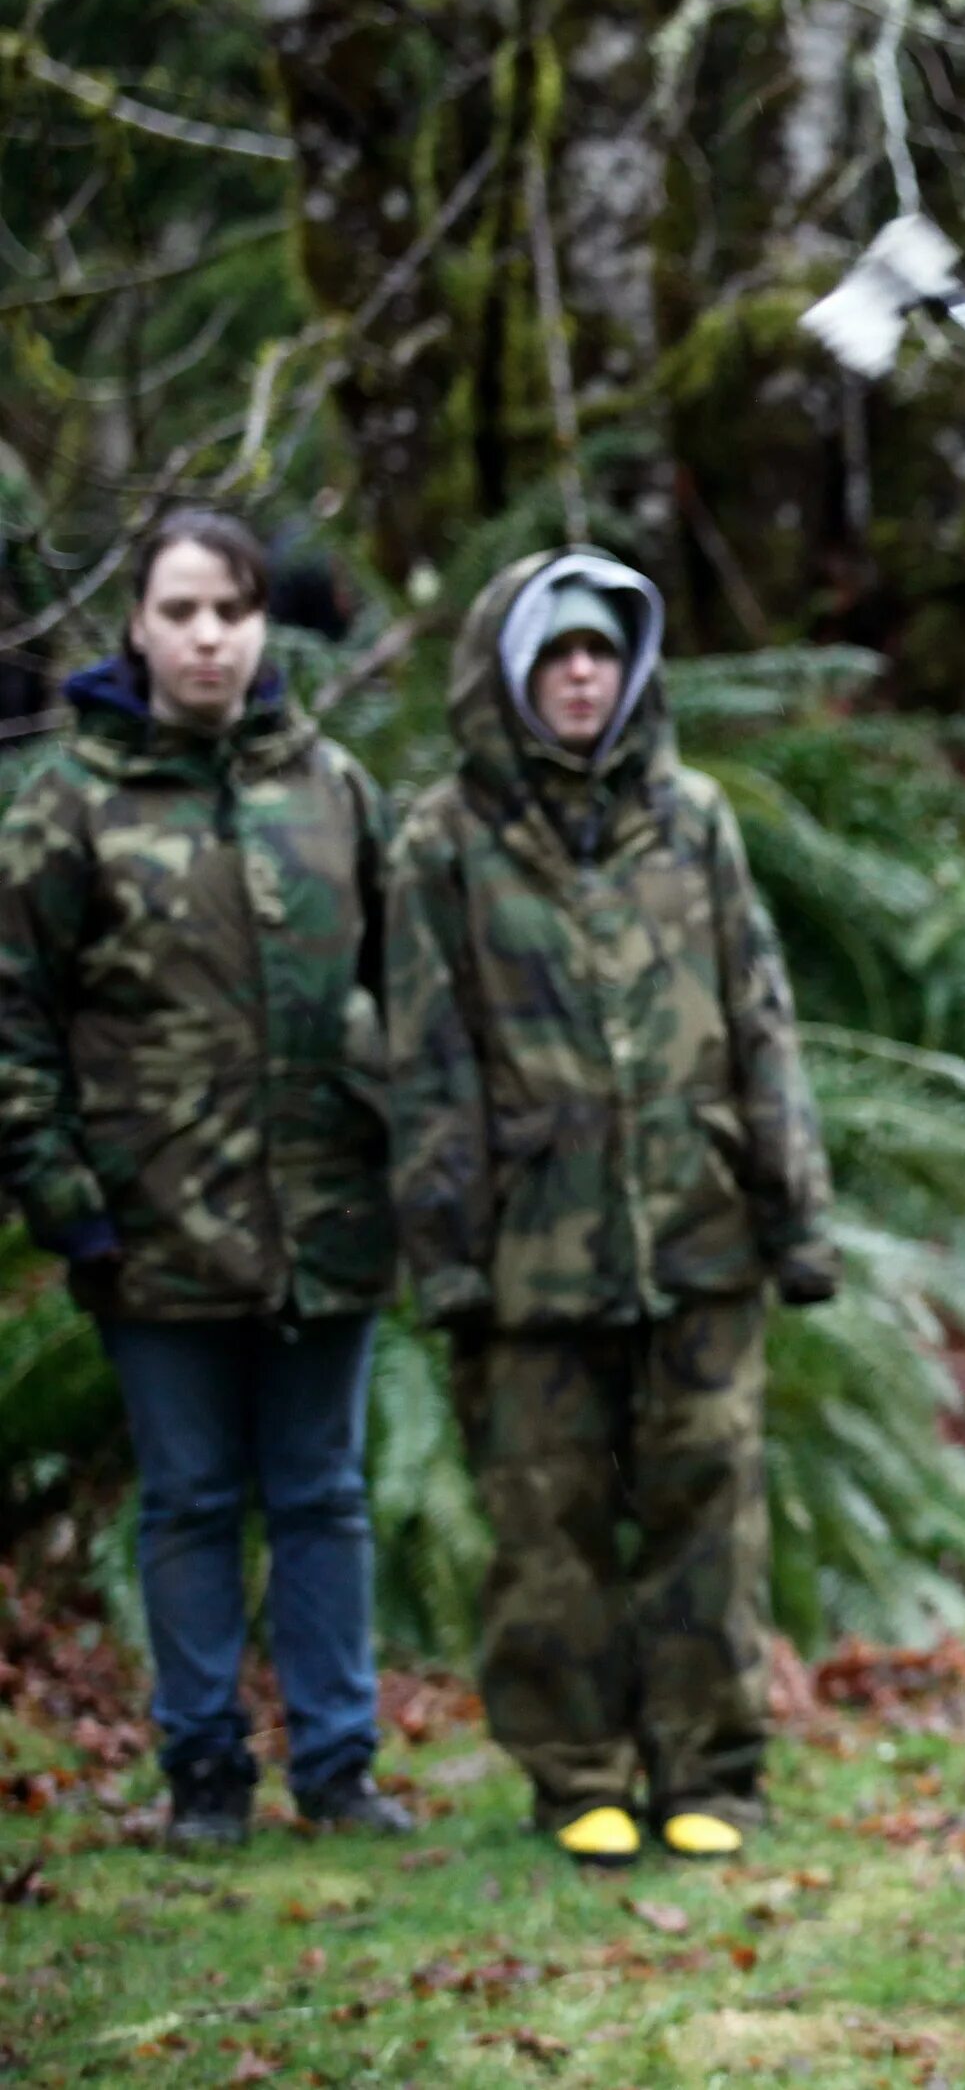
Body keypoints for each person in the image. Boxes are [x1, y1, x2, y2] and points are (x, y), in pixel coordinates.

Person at [386, 549, 837, 1868]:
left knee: (710, 1505)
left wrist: (793, 1211)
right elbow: (426, 1057)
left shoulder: (692, 817)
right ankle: (574, 1771)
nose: (580, 673)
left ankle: (712, 1769)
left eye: (599, 650)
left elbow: (762, 1017)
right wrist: (448, 1248)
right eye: (553, 652)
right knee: (547, 1516)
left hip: (699, 1231)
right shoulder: (444, 841)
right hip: (533, 1244)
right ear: (508, 671)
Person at [0, 509, 409, 1847]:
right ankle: (205, 1776)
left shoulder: (332, 787)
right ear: (137, 626)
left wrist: (408, 1143)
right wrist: (65, 1194)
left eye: (229, 610)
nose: (208, 637)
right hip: (153, 1226)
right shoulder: (69, 798)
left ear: (261, 625)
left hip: (326, 1221)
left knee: (323, 1491)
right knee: (186, 1498)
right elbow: (13, 1010)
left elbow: (408, 989)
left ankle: (340, 1767)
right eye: (180, 611)